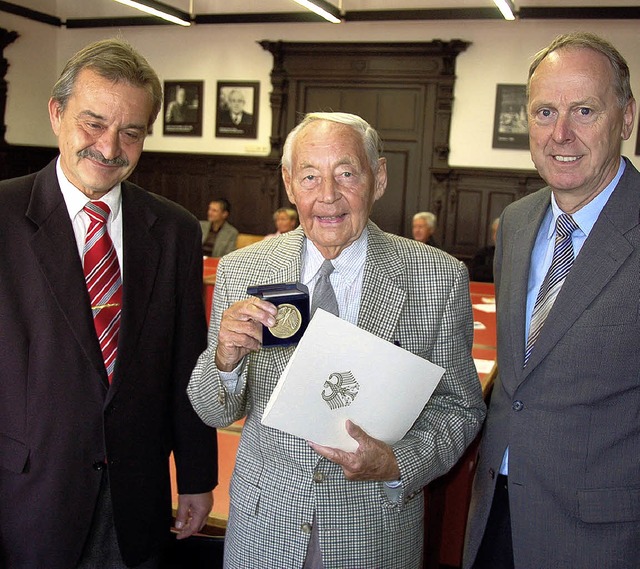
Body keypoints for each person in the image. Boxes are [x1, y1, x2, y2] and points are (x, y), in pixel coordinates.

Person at [187, 111, 486, 568]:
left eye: (346, 174)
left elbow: (461, 409)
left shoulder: (437, 277)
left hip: (376, 533)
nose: (327, 196)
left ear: (378, 178)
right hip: (264, 529)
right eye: (310, 176)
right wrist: (224, 361)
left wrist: (396, 464)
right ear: (288, 184)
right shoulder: (243, 270)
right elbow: (214, 410)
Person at [0, 39, 218, 569]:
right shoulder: (1, 216)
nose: (110, 145)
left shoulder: (175, 231)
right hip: (24, 498)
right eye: (93, 123)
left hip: (136, 499)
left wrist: (195, 478)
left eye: (131, 131)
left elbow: (187, 363)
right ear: (57, 114)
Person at [463, 32, 638, 569]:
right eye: (544, 112)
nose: (561, 134)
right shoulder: (517, 222)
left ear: (626, 119)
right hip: (495, 512)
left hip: (600, 537)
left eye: (584, 110)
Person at [468, 217, 499, 282]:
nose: (496, 236)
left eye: (499, 231)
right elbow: (474, 274)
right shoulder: (483, 253)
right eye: (494, 232)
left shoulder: (515, 255)